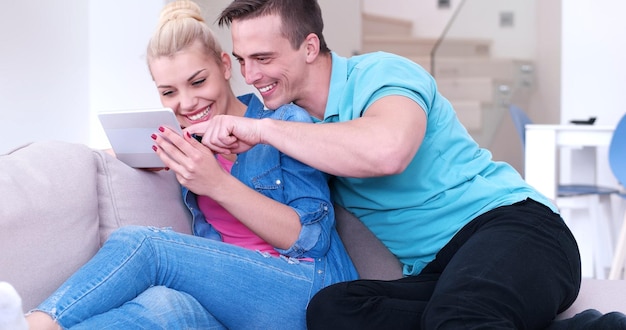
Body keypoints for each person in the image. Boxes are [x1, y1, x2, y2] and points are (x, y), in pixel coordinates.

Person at [183, 0, 591, 328]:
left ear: (309, 47)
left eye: (263, 58)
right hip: (441, 270)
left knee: (459, 316)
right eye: (241, 60)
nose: (251, 75)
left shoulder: (381, 73)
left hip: (515, 229)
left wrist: (264, 129)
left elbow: (387, 151)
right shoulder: (298, 125)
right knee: (333, 309)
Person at [18, 1, 357, 329]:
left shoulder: (284, 121)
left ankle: (29, 324)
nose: (187, 103)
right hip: (235, 299)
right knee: (161, 306)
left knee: (146, 246)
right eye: (169, 92)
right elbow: (109, 155)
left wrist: (216, 184)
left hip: (308, 289)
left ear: (225, 66)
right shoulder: (186, 143)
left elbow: (312, 239)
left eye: (198, 82)